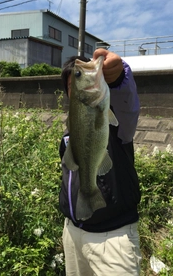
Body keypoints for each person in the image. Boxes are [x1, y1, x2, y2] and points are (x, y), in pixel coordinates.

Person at [59, 48, 141, 276]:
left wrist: (120, 77)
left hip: (112, 239)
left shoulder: (117, 121)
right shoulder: (70, 131)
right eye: (73, 81)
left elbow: (128, 104)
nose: (73, 85)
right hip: (73, 233)